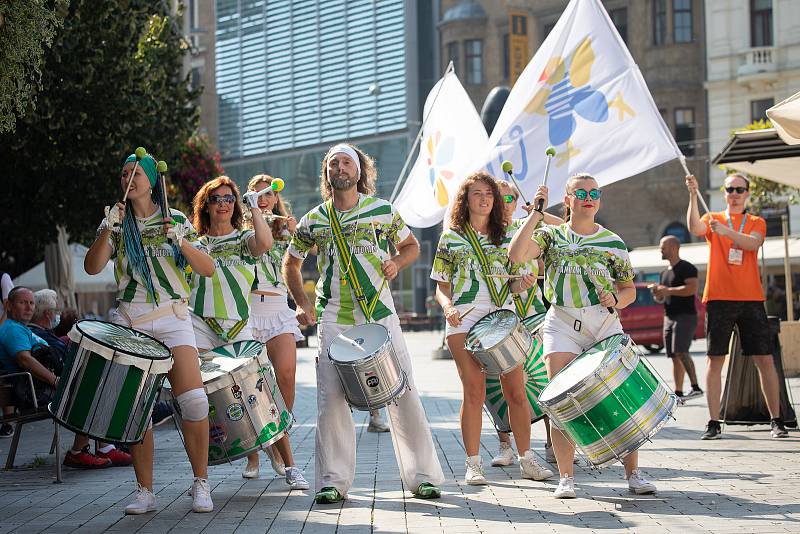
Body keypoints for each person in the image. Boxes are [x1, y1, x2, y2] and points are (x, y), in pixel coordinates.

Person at [283, 143, 444, 503]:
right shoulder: (313, 220)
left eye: (346, 163)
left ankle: (423, 477)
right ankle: (332, 481)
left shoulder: (383, 211)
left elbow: (412, 247)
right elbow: (290, 263)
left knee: (402, 392)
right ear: (327, 174)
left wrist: (397, 264)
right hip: (333, 317)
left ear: (359, 172)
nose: (339, 168)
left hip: (380, 314)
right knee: (331, 400)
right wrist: (303, 303)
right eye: (332, 164)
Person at [509, 173, 657, 499]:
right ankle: (566, 477)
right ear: (569, 199)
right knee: (561, 401)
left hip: (603, 322)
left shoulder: (613, 242)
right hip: (561, 321)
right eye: (581, 193)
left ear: (599, 200)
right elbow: (516, 256)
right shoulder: (551, 235)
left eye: (594, 192)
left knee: (621, 397)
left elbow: (629, 289)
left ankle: (633, 473)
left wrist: (617, 301)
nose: (589, 198)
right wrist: (535, 212)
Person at [84, 150, 217, 514]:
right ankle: (145, 491)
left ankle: (201, 483)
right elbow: (93, 266)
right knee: (135, 408)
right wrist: (106, 229)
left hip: (173, 316)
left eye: (134, 172)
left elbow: (206, 269)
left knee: (194, 401)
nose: (128, 178)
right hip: (131, 319)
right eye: (123, 173)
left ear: (150, 178)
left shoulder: (175, 219)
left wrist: (181, 241)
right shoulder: (117, 223)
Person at [431, 172, 553, 485]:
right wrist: (448, 307)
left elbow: (513, 285)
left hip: (503, 318)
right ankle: (473, 464)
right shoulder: (451, 237)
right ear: (465, 199)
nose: (484, 198)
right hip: (465, 318)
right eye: (476, 193)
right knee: (474, 392)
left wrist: (521, 283)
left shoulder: (509, 234)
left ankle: (527, 459)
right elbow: (442, 287)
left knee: (517, 392)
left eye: (488, 193)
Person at [189, 173, 307, 490]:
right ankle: (203, 477)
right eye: (217, 198)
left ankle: (289, 464)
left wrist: (254, 204)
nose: (224, 204)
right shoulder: (196, 244)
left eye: (230, 198)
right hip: (201, 324)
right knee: (198, 398)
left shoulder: (243, 240)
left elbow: (266, 242)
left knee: (262, 395)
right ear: (206, 205)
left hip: (241, 324)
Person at [685, 173, 788, 439]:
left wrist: (727, 232)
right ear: (725, 192)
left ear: (747, 194)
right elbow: (695, 228)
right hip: (719, 298)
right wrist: (693, 195)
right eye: (730, 188)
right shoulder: (712, 219)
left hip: (750, 298)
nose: (734, 193)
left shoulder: (756, 221)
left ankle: (776, 420)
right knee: (714, 359)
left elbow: (752, 243)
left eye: (739, 189)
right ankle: (714, 422)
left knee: (764, 358)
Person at [490, 180, 567, 468]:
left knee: (543, 378)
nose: (506, 202)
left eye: (510, 197)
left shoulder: (530, 225)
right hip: (502, 316)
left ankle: (551, 441)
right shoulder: (487, 232)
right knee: (498, 383)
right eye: (501, 198)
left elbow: (562, 228)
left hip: (534, 312)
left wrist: (538, 212)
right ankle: (504, 444)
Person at [0, 288, 113, 467]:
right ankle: (80, 451)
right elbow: (25, 360)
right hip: (34, 392)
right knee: (88, 392)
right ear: (8, 305)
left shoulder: (20, 328)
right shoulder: (13, 330)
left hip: (37, 387)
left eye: (31, 303)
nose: (29, 307)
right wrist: (56, 381)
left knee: (95, 384)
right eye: (22, 302)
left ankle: (104, 446)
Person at [649, 236, 703, 400]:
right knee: (673, 355)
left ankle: (696, 387)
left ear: (673, 248)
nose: (660, 250)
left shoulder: (687, 268)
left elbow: (692, 289)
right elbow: (662, 297)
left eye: (662, 247)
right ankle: (678, 393)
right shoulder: (664, 272)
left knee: (681, 351)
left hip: (685, 316)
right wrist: (658, 293)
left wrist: (668, 290)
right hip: (669, 316)